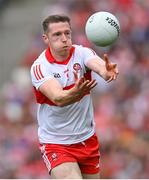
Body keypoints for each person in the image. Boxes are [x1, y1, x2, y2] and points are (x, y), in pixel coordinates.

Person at [30, 14, 118, 179]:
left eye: (67, 33)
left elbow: (99, 66)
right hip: (56, 143)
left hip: (87, 139)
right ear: (45, 38)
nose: (64, 39)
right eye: (57, 34)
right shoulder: (40, 67)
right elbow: (58, 98)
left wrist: (107, 71)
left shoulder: (82, 53)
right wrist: (76, 92)